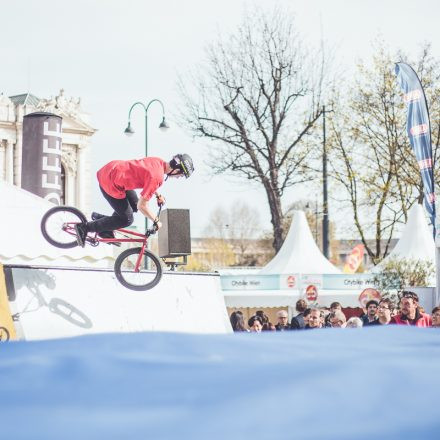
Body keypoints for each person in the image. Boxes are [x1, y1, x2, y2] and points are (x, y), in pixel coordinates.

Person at [74, 154, 194, 247]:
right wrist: (156, 221)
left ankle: (105, 226)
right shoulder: (157, 177)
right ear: (177, 170)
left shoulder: (158, 161)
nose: (179, 178)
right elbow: (143, 205)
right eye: (181, 175)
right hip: (111, 182)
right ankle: (85, 228)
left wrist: (157, 194)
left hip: (112, 170)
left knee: (133, 206)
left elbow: (146, 176)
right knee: (127, 219)